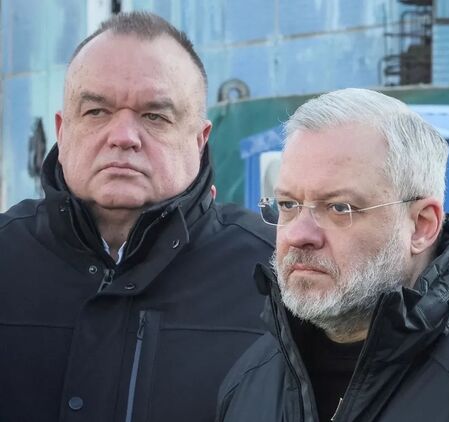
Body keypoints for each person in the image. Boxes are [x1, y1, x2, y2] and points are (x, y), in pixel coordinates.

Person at [215, 88, 449, 422]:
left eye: (339, 207)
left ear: (421, 225)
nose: (298, 235)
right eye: (288, 204)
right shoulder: (249, 381)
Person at [0, 12, 274, 422]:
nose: (123, 137)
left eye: (154, 116)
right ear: (62, 130)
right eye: (96, 111)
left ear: (199, 140)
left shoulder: (274, 273)